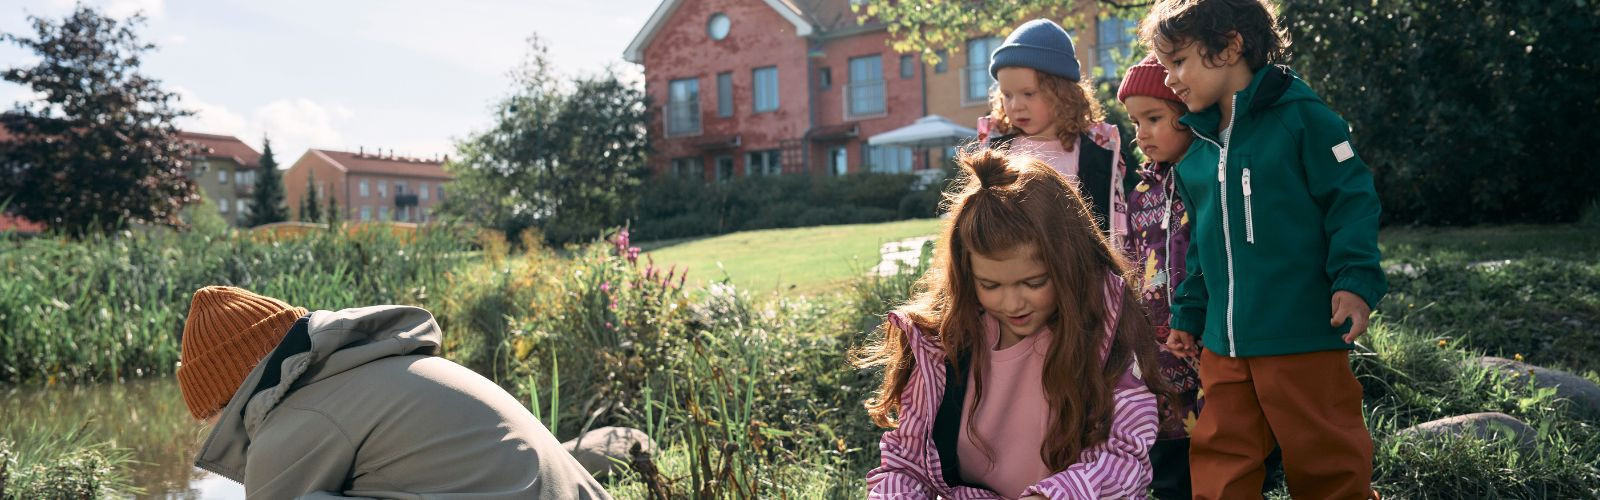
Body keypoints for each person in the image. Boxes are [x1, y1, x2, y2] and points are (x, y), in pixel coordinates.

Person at [1140, 0, 1387, 498]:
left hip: (1301, 335)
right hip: (1225, 346)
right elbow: (1203, 248)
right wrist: (1190, 311)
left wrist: (1355, 281)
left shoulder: (1304, 118)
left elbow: (1352, 199)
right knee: (1222, 452)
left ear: (1230, 46)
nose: (1169, 81)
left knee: (1325, 453)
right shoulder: (1197, 152)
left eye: (1178, 62)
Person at [858, 149, 1169, 498]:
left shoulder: (1103, 334)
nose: (1012, 303)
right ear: (965, 274)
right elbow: (906, 466)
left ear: (1070, 264)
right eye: (990, 285)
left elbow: (1123, 454)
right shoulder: (942, 344)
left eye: (1033, 283)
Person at [176, 285, 611, 499]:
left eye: (208, 414)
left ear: (227, 395)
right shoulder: (375, 366)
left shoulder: (296, 420)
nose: (210, 427)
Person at [1116, 52, 1205, 500]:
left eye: (1154, 117)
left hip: (1206, 334)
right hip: (1156, 339)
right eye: (1135, 123)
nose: (1142, 133)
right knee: (1168, 431)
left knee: (1218, 433)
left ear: (1187, 114)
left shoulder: (1209, 174)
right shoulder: (1141, 193)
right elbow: (1131, 259)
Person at [980, 18, 1138, 249]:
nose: (1016, 105)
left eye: (1029, 93)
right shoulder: (999, 151)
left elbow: (1108, 227)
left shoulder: (1091, 152)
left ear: (1062, 94)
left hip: (1076, 272)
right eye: (1007, 95)